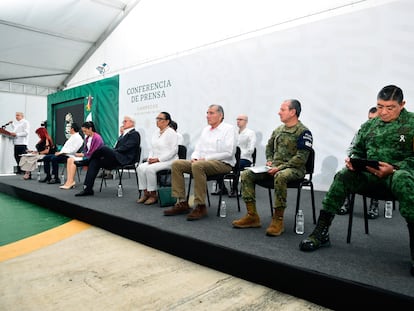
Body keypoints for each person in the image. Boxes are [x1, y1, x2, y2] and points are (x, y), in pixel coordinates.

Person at [299, 85, 414, 277]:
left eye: (390, 107)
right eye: (379, 106)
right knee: (343, 175)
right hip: (370, 175)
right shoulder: (369, 125)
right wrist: (353, 160)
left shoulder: (412, 124)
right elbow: (357, 149)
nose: (383, 112)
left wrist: (394, 168)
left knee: (402, 178)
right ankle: (321, 231)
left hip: (399, 176)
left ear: (402, 104)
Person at [232, 99, 313, 236]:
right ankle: (252, 216)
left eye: (282, 110)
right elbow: (269, 147)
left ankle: (278, 220)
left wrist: (280, 167)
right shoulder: (278, 130)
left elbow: (301, 158)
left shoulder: (304, 132)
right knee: (246, 174)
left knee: (280, 176)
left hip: (294, 169)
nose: (279, 112)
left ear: (293, 112)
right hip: (275, 167)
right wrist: (269, 160)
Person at [163, 104, 236, 220]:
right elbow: (198, 149)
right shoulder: (206, 130)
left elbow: (229, 152)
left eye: (211, 113)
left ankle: (200, 206)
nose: (207, 116)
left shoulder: (228, 129)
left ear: (221, 115)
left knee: (198, 166)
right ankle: (181, 202)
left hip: (223, 163)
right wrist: (195, 157)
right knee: (177, 164)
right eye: (207, 113)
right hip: (202, 163)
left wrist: (205, 159)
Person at [74, 115, 140, 196]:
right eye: (123, 121)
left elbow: (126, 147)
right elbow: (118, 148)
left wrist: (113, 151)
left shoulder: (135, 134)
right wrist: (113, 151)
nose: (123, 123)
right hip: (116, 158)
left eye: (125, 121)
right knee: (95, 161)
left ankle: (87, 161)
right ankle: (88, 189)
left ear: (132, 123)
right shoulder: (123, 135)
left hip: (124, 159)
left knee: (103, 148)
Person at [338, 106, 380, 217]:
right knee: (347, 172)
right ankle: (346, 205)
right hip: (362, 161)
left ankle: (374, 208)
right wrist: (350, 157)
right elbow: (352, 147)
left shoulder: (385, 133)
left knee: (376, 174)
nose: (370, 121)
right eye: (369, 118)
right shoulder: (362, 131)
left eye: (373, 119)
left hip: (377, 164)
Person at [136, 112, 179, 205]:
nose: (158, 121)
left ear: (167, 121)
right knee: (140, 168)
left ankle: (153, 195)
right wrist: (150, 158)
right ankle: (145, 193)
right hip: (155, 160)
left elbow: (174, 151)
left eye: (160, 119)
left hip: (168, 161)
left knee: (150, 169)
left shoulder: (171, 133)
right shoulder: (156, 132)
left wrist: (158, 159)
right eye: (157, 119)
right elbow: (153, 148)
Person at [59, 121, 104, 190]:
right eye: (83, 131)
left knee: (73, 160)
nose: (84, 133)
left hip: (94, 158)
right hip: (87, 156)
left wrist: (83, 154)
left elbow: (94, 152)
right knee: (69, 159)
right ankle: (69, 181)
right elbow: (86, 150)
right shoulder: (87, 138)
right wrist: (81, 153)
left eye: (85, 131)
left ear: (90, 129)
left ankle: (70, 181)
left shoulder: (97, 138)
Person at [229, 114, 256, 197]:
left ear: (246, 121)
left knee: (237, 165)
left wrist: (239, 155)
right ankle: (221, 188)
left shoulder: (250, 133)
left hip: (245, 159)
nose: (238, 121)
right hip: (234, 158)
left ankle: (234, 189)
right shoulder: (234, 133)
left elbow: (251, 149)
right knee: (220, 163)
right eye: (237, 119)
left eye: (241, 119)